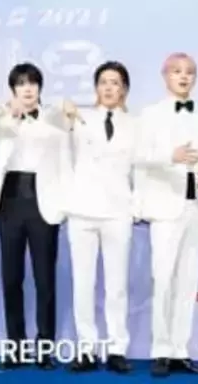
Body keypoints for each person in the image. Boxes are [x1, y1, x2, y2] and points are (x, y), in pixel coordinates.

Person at [0, 62, 72, 370]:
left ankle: (45, 347)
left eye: (32, 83)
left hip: (43, 204)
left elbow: (66, 159)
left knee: (45, 280)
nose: (27, 88)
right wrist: (8, 110)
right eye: (21, 84)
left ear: (40, 87)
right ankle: (15, 346)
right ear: (13, 90)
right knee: (11, 279)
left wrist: (64, 204)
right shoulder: (2, 119)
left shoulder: (55, 118)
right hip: (9, 202)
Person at [134, 53, 198, 377]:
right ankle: (160, 351)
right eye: (177, 71)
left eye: (190, 72)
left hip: (195, 206)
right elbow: (139, 155)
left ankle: (181, 350)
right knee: (164, 279)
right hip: (164, 207)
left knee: (188, 282)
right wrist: (172, 155)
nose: (184, 77)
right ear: (165, 75)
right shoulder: (150, 114)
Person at [61, 61, 134, 374]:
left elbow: (143, 165)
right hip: (82, 211)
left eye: (115, 82)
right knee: (83, 283)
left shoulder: (135, 124)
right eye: (103, 82)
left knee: (117, 285)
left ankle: (117, 348)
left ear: (124, 89)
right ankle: (87, 348)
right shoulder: (78, 118)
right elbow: (52, 124)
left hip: (118, 211)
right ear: (95, 88)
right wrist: (65, 111)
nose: (108, 87)